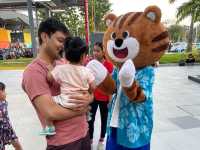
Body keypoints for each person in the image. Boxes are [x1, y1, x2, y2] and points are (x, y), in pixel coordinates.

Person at [22, 18, 93, 150]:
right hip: (64, 143)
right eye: (60, 40)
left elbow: (88, 91)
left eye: (65, 42)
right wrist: (82, 110)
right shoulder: (33, 72)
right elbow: (50, 112)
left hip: (83, 134)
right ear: (44, 37)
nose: (63, 46)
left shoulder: (63, 65)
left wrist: (89, 98)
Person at [40, 37, 96, 136]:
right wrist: (89, 91)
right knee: (86, 100)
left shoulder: (60, 69)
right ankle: (87, 114)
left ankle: (50, 127)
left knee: (47, 107)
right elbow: (93, 86)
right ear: (83, 56)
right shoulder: (87, 71)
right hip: (81, 103)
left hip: (66, 102)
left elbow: (49, 78)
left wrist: (50, 69)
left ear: (66, 55)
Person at [88, 42, 113, 149]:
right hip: (93, 97)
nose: (95, 53)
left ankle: (102, 139)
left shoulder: (109, 65)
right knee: (90, 119)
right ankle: (90, 139)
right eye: (94, 50)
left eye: (98, 51)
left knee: (104, 119)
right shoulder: (91, 64)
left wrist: (110, 100)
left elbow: (112, 85)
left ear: (103, 52)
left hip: (105, 98)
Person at [0, 82, 23, 150]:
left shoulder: (3, 102)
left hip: (8, 129)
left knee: (17, 145)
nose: (5, 93)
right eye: (3, 91)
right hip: (2, 131)